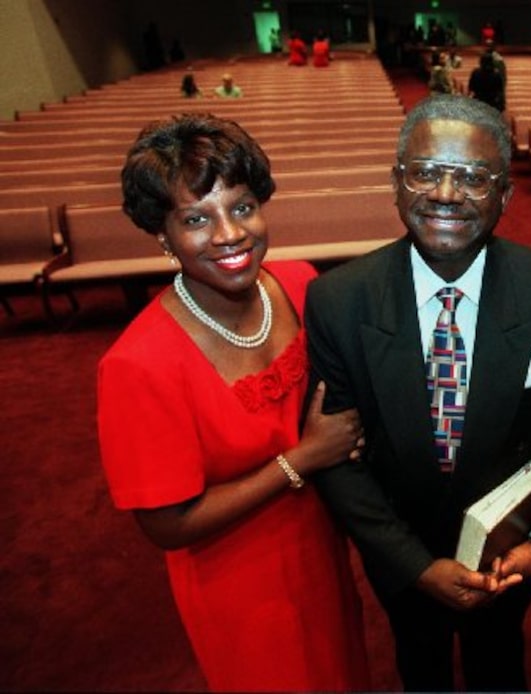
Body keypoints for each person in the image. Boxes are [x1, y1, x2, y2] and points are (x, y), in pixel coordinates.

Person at [304, 94, 531, 691]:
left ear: (505, 197)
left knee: (500, 666)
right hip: (401, 555)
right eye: (425, 171)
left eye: (472, 177)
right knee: (420, 666)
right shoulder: (338, 300)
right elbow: (337, 458)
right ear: (396, 182)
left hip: (507, 555)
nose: (445, 193)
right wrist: (414, 566)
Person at [97, 114, 370, 692]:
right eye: (197, 219)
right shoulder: (137, 364)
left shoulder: (298, 284)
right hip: (239, 580)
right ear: (162, 235)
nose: (229, 234)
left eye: (242, 207)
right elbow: (168, 526)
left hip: (322, 544)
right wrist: (303, 459)